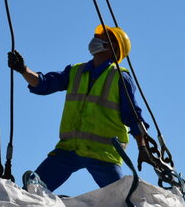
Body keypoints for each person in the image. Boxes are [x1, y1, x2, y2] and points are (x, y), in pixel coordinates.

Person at [8, 25, 155, 192]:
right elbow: (45, 84)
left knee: (123, 199)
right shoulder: (76, 71)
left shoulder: (120, 77)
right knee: (31, 191)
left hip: (102, 152)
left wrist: (142, 147)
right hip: (69, 148)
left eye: (102, 37)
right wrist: (23, 70)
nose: (96, 39)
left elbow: (133, 115)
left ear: (114, 46)